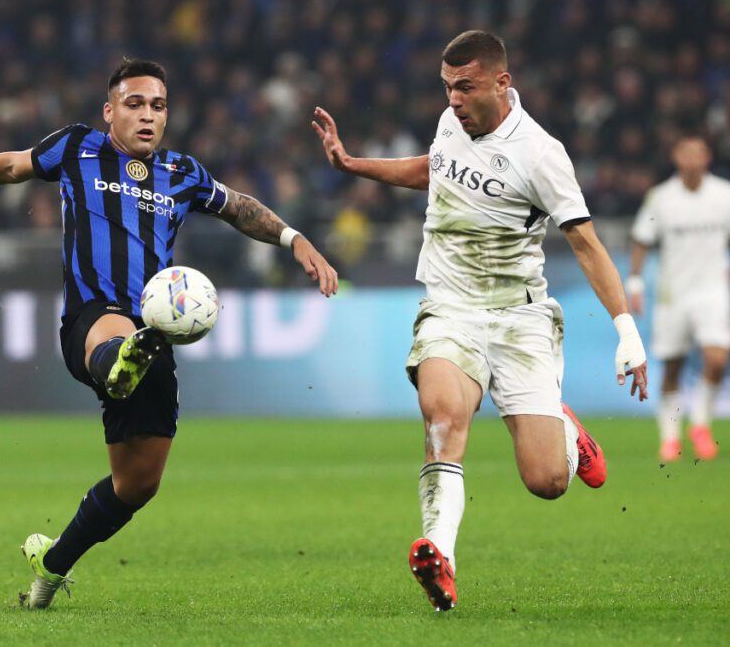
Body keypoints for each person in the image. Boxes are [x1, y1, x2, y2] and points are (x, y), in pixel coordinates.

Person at [0, 58, 338, 610]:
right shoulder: (77, 148)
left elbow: (240, 208)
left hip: (153, 331)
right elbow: (13, 165)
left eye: (157, 106)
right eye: (134, 104)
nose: (147, 116)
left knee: (137, 485)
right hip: (94, 317)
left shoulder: (182, 173)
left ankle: (53, 562)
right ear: (110, 111)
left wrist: (296, 240)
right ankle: (119, 359)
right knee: (115, 336)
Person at [311, 31, 647, 611]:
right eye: (446, 87)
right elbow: (432, 170)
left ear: (502, 82)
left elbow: (588, 245)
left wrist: (627, 331)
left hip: (520, 319)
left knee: (547, 482)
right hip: (451, 306)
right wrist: (352, 163)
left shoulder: (542, 155)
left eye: (465, 87)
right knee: (442, 415)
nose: (453, 99)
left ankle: (564, 433)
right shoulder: (451, 123)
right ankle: (441, 554)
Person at [628, 136, 730, 462]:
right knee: (673, 366)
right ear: (676, 158)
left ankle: (699, 424)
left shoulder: (724, 195)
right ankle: (670, 437)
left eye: (697, 153)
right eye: (685, 153)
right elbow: (642, 239)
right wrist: (635, 284)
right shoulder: (661, 198)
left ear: (707, 157)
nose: (691, 159)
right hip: (673, 295)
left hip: (712, 290)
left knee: (717, 358)